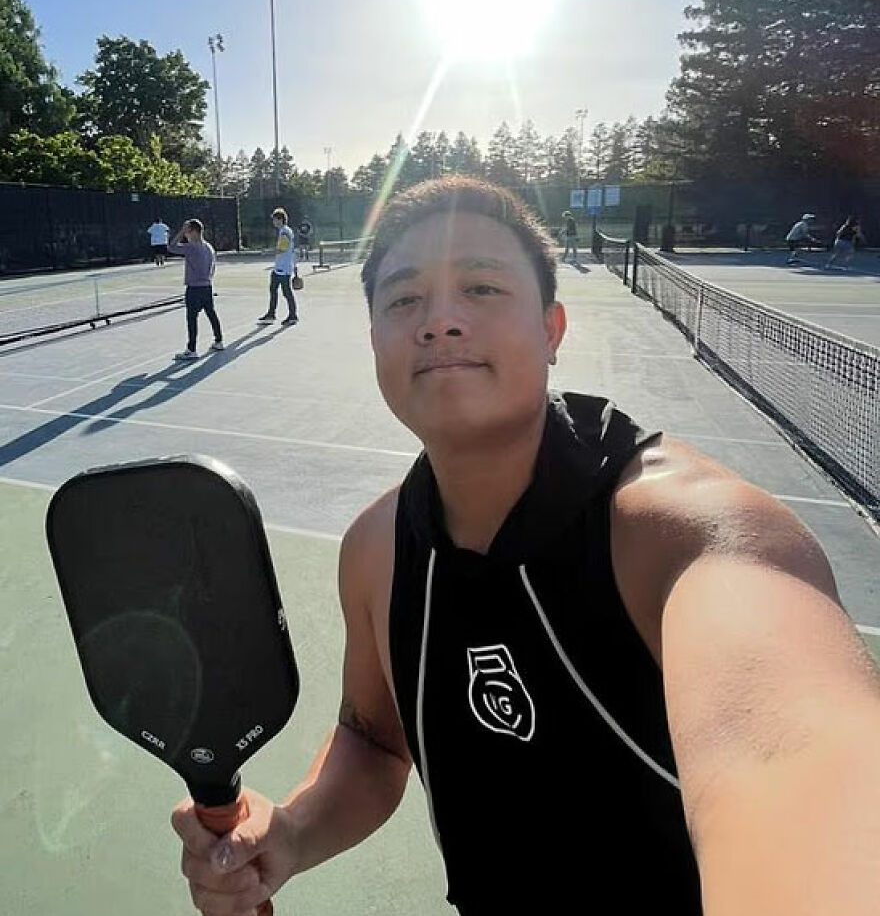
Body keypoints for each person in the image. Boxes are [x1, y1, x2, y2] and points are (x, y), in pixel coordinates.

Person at [172, 177, 880, 914]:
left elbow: (796, 758)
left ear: (552, 329)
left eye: (480, 288)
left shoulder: (690, 531)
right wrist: (287, 835)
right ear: (375, 338)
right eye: (404, 299)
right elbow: (374, 739)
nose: (438, 321)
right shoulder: (375, 550)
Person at [167, 218, 223, 361]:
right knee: (211, 314)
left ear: (192, 231)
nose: (186, 234)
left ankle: (191, 349)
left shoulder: (191, 247)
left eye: (187, 231)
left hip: (194, 289)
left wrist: (181, 231)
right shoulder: (209, 247)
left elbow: (171, 247)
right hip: (207, 286)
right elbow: (213, 267)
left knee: (192, 319)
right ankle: (219, 341)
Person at [258, 208, 300, 326]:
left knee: (286, 292)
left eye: (275, 219)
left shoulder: (284, 232)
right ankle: (271, 314)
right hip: (280, 267)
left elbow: (283, 249)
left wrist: (268, 251)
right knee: (273, 289)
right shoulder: (284, 231)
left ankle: (293, 316)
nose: (273, 222)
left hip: (283, 268)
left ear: (280, 219)